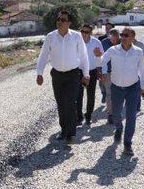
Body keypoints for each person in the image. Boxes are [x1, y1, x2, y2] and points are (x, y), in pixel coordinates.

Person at [36, 11, 90, 145]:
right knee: (61, 104)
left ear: (69, 23)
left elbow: (83, 56)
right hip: (57, 75)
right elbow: (43, 55)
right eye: (58, 19)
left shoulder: (76, 36)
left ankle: (70, 134)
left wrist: (86, 74)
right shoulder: (51, 37)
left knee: (70, 103)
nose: (59, 21)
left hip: (73, 75)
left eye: (63, 19)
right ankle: (64, 130)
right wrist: (39, 73)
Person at [100, 27, 144, 156]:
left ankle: (127, 144)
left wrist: (143, 87)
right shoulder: (113, 50)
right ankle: (118, 128)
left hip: (133, 87)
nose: (124, 37)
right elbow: (103, 60)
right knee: (116, 113)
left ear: (133, 37)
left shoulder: (138, 52)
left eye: (127, 35)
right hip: (116, 87)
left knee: (131, 115)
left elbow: (142, 70)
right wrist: (104, 72)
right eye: (122, 35)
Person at [76, 24, 103, 126]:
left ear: (91, 33)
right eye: (82, 31)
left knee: (90, 95)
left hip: (92, 71)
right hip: (78, 71)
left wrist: (99, 70)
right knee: (78, 95)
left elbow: (100, 57)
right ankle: (79, 117)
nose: (84, 34)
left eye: (86, 32)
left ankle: (88, 116)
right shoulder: (76, 41)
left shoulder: (96, 42)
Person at [100, 29, 120, 124]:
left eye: (116, 39)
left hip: (120, 72)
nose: (114, 42)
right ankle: (110, 114)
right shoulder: (103, 43)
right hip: (107, 72)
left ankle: (117, 112)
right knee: (109, 94)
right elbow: (101, 59)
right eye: (113, 39)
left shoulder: (122, 42)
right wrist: (102, 72)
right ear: (109, 36)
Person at [132, 31, 144, 112]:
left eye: (131, 36)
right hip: (130, 70)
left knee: (138, 87)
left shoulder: (140, 45)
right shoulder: (125, 44)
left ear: (134, 36)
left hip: (139, 70)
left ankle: (137, 105)